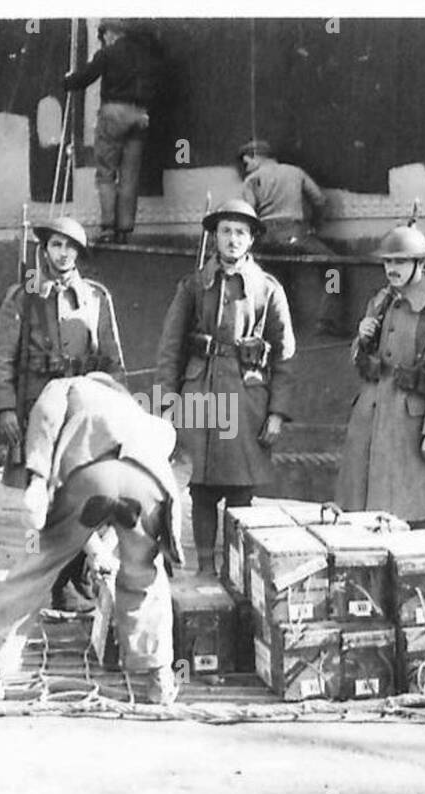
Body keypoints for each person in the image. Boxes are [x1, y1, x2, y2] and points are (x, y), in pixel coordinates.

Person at [0, 373, 183, 705]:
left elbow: (48, 418)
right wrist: (103, 548)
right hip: (147, 483)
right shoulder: (134, 409)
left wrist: (38, 479)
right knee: (145, 574)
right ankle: (160, 676)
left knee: (35, 565)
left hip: (87, 476)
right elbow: (152, 462)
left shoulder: (64, 387)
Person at [0, 214, 126, 609]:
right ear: (44, 249)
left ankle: (76, 580)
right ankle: (45, 580)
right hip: (38, 414)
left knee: (87, 495)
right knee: (42, 504)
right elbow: (0, 358)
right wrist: (4, 409)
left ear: (79, 253)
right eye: (56, 245)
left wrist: (121, 410)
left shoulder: (96, 297)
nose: (63, 254)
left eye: (71, 247)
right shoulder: (22, 295)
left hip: (85, 413)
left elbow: (113, 359)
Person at [154, 199, 296, 577]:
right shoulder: (193, 286)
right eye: (225, 231)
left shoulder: (268, 289)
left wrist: (277, 413)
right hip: (199, 394)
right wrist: (166, 405)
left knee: (240, 491)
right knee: (200, 487)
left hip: (246, 399)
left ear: (251, 240)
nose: (232, 239)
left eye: (240, 232)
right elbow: (170, 348)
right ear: (214, 237)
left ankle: (239, 571)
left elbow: (285, 357)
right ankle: (204, 568)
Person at [336, 225, 425, 528]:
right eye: (388, 262)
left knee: (410, 516)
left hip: (411, 429)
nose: (391, 269)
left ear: (420, 264)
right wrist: (362, 339)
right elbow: (362, 362)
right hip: (371, 422)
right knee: (363, 515)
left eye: (400, 262)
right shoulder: (381, 301)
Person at [62, 18, 163, 244]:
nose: (102, 40)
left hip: (114, 113)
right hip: (141, 115)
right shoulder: (145, 55)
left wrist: (67, 81)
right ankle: (125, 229)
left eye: (103, 35)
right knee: (130, 175)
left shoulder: (108, 53)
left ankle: (108, 227)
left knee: (106, 172)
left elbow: (85, 78)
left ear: (110, 33)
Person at [238, 141, 348, 336]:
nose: (246, 167)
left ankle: (269, 326)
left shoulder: (251, 181)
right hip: (295, 235)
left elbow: (249, 214)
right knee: (334, 266)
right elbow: (319, 199)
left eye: (247, 162)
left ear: (256, 156)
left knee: (271, 278)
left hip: (265, 241)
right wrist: (314, 225)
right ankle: (327, 320)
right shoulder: (295, 172)